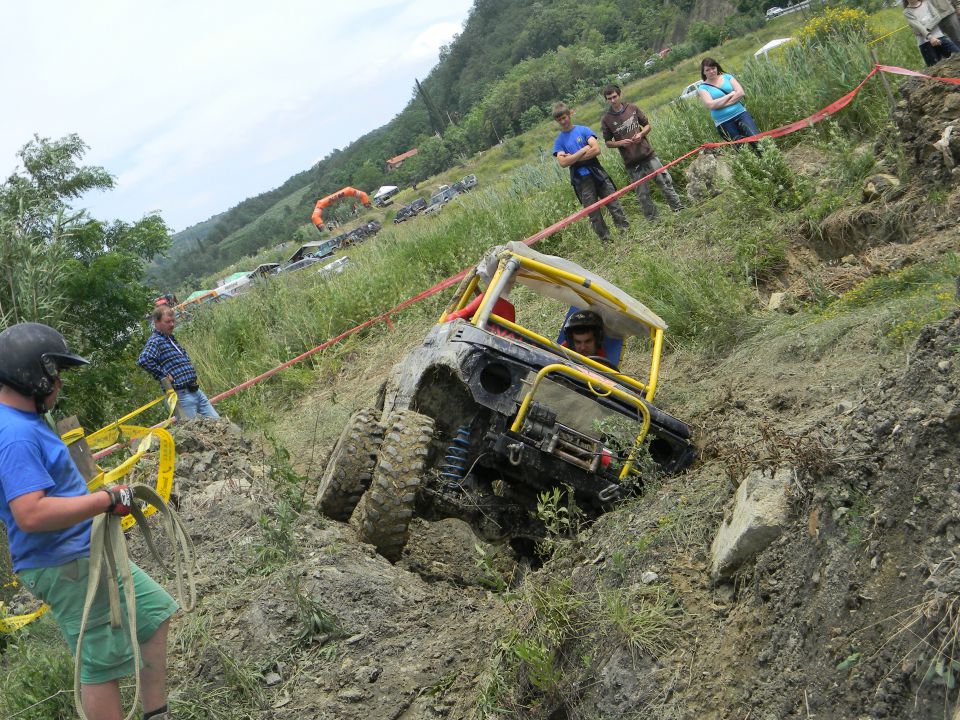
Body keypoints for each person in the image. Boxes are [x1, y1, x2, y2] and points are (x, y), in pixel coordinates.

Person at [0, 323, 177, 720]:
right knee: (101, 665)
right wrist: (104, 500)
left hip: (83, 550)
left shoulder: (24, 421)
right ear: (35, 373)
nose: (59, 383)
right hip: (66, 563)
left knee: (153, 615)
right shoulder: (13, 434)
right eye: (56, 373)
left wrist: (101, 500)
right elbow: (30, 514)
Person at [601, 84, 683, 224]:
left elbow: (647, 125)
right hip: (631, 161)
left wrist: (641, 133)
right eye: (609, 98)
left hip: (648, 154)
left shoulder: (632, 108)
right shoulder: (606, 119)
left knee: (664, 182)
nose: (613, 100)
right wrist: (620, 143)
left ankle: (678, 209)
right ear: (607, 100)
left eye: (614, 97)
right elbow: (608, 142)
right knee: (643, 194)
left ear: (619, 95)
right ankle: (654, 221)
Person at [552, 102, 630, 242]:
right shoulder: (559, 141)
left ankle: (626, 232)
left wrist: (572, 157)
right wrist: (582, 150)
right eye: (559, 119)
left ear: (569, 115)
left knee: (613, 202)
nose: (563, 121)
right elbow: (563, 163)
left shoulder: (583, 130)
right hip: (581, 180)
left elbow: (596, 150)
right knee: (593, 213)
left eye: (564, 117)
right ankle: (606, 241)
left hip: (597, 172)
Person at [138, 306, 220, 420]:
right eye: (167, 322)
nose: (171, 324)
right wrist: (163, 375)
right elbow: (144, 359)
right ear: (156, 322)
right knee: (193, 433)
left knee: (218, 423)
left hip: (195, 391)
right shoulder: (156, 341)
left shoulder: (170, 339)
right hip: (181, 395)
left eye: (173, 321)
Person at [697, 58, 763, 155]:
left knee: (757, 140)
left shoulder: (727, 77)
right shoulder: (703, 88)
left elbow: (740, 93)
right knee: (741, 150)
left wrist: (721, 104)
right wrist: (730, 95)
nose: (711, 71)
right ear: (703, 72)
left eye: (713, 68)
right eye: (707, 70)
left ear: (716, 67)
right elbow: (710, 105)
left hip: (741, 114)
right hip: (724, 122)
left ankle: (768, 163)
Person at [903, 0, 960, 66]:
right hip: (925, 43)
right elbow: (916, 27)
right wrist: (929, 36)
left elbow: (937, 16)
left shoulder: (927, 3)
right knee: (935, 67)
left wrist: (925, 29)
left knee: (957, 55)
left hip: (941, 34)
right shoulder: (906, 12)